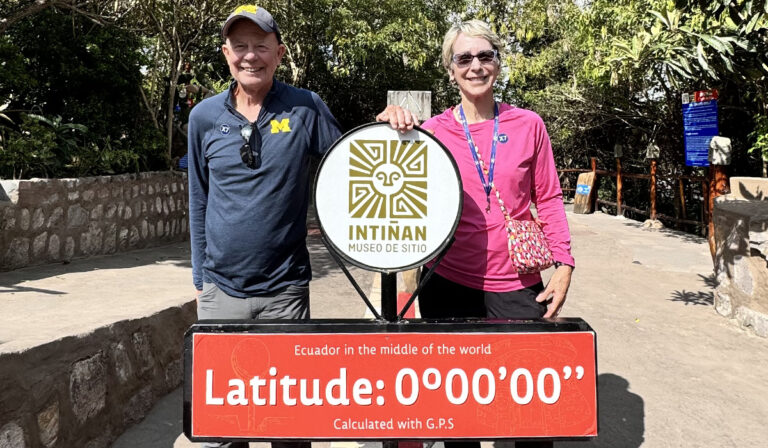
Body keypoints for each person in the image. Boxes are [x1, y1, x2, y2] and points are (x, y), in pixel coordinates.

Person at [187, 5, 414, 447]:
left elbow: (351, 166)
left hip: (285, 293)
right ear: (225, 53)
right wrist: (199, 279)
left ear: (280, 53)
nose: (250, 56)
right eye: (240, 46)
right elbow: (199, 200)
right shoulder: (203, 118)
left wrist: (388, 127)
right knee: (224, 428)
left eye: (261, 46)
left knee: (288, 426)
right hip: (219, 293)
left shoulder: (306, 107)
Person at [379, 20, 574, 448]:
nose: (475, 66)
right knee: (458, 419)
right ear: (450, 70)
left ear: (498, 64)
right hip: (447, 281)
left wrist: (564, 265)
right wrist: (391, 124)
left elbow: (551, 198)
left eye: (485, 56)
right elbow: (391, 176)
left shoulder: (528, 124)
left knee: (530, 417)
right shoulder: (430, 132)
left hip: (517, 282)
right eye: (464, 58)